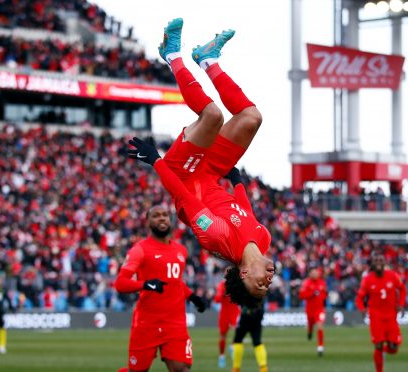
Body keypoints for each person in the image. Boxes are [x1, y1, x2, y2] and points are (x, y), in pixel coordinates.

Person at [127, 17, 274, 309]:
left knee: (212, 117)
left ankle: (172, 55)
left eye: (259, 284)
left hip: (184, 173)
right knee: (251, 118)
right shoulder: (264, 239)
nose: (267, 281)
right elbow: (244, 210)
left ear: (243, 273)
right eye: (267, 286)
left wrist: (156, 161)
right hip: (213, 173)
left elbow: (182, 195)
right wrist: (238, 183)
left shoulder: (217, 240)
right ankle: (208, 59)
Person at [114, 205, 207, 372]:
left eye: (165, 215)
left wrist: (192, 297)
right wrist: (145, 284)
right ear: (148, 222)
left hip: (175, 324)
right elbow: (120, 283)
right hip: (147, 324)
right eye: (156, 216)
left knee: (181, 369)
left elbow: (175, 281)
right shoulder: (139, 250)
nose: (162, 218)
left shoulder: (181, 251)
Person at [355, 252, 407, 372]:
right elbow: (359, 298)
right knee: (378, 345)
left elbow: (402, 289)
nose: (378, 262)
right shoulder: (367, 280)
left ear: (385, 263)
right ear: (372, 264)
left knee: (394, 348)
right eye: (376, 260)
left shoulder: (392, 276)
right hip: (376, 316)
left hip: (391, 316)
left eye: (381, 260)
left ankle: (383, 351)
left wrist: (401, 304)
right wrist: (362, 309)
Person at [298, 264, 327, 356]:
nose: (315, 274)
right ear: (310, 274)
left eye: (316, 272)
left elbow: (325, 294)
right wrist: (312, 294)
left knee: (320, 326)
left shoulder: (322, 282)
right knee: (310, 325)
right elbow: (301, 296)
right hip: (310, 310)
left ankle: (320, 347)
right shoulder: (306, 283)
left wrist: (324, 296)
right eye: (313, 273)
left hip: (320, 309)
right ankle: (310, 332)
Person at [231, 304, 268, 372]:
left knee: (237, 340)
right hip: (258, 313)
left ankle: (236, 368)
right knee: (257, 342)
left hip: (246, 314)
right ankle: (263, 368)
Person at [214, 280, 240, 368]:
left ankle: (232, 346)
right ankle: (221, 356)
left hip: (234, 312)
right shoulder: (221, 285)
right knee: (223, 336)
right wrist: (222, 294)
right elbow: (217, 299)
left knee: (239, 332)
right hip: (224, 313)